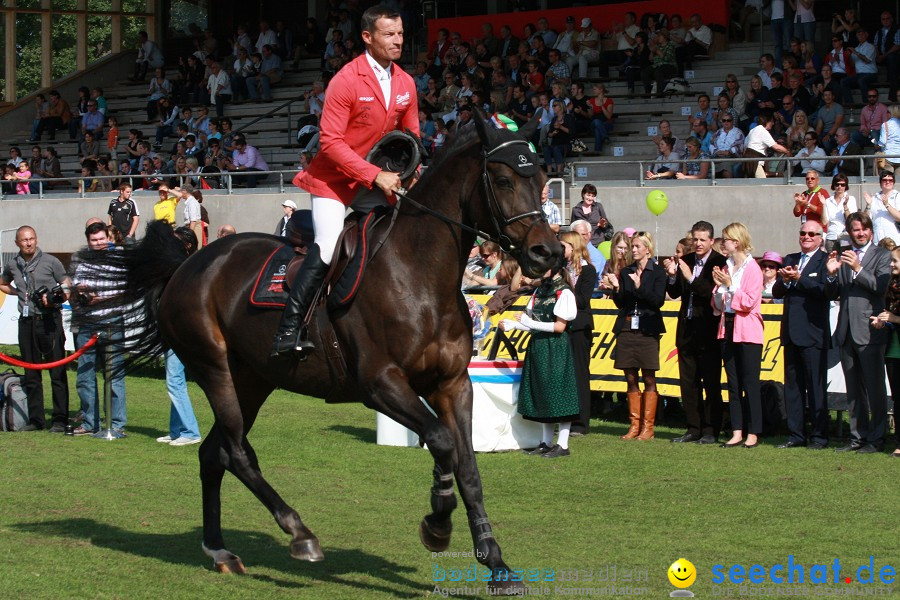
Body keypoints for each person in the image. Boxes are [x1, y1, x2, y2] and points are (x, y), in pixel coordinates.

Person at [273, 5, 420, 356]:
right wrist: (376, 175)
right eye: (389, 34)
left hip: (375, 182)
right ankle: (289, 330)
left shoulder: (406, 82)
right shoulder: (346, 79)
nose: (398, 40)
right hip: (333, 182)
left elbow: (412, 136)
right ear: (367, 37)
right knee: (326, 245)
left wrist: (412, 172)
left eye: (400, 33)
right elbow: (330, 143)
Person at [825, 211, 891, 453]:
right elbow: (833, 294)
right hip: (846, 330)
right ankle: (857, 438)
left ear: (870, 231)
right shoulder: (844, 257)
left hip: (870, 330)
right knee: (853, 390)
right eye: (855, 230)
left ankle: (876, 438)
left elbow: (880, 287)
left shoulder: (881, 255)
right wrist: (831, 275)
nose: (860, 233)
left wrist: (859, 268)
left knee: (875, 389)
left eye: (863, 229)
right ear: (850, 233)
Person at [500, 268, 578, 458]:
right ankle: (546, 442)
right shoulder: (539, 291)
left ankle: (563, 444)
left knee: (559, 393)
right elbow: (533, 322)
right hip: (539, 347)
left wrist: (530, 323)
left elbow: (560, 327)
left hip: (556, 347)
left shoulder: (564, 292)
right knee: (544, 393)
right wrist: (514, 325)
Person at [0, 226, 70, 432]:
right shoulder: (12, 264)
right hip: (26, 322)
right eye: (24, 240)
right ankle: (36, 419)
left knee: (57, 371)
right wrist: (19, 294)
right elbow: (3, 283)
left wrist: (59, 296)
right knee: (31, 372)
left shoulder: (51, 261)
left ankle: (59, 419)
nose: (29, 243)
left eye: (32, 239)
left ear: (36, 240)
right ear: (17, 243)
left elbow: (66, 282)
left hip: (50, 322)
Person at [665, 221, 727, 444]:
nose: (698, 243)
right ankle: (693, 428)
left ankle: (711, 430)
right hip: (687, 329)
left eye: (702, 239)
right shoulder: (686, 260)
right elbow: (674, 292)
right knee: (688, 383)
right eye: (695, 239)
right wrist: (672, 276)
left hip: (708, 330)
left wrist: (690, 277)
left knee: (711, 383)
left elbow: (710, 292)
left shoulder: (719, 263)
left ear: (712, 241)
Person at [772, 220, 830, 449]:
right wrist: (786, 281)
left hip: (813, 333)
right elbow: (776, 291)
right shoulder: (790, 259)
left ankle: (819, 436)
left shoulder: (825, 261)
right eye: (803, 233)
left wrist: (800, 280)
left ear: (819, 238)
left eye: (811, 234)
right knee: (793, 388)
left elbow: (825, 291)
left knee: (816, 388)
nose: (806, 236)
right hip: (791, 332)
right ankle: (796, 435)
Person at [605, 231, 666, 441]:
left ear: (648, 249)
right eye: (633, 246)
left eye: (638, 246)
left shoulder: (657, 272)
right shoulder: (626, 271)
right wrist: (616, 288)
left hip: (648, 329)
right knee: (630, 376)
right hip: (628, 327)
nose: (634, 250)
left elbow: (658, 301)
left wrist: (640, 287)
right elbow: (622, 302)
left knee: (649, 376)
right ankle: (634, 425)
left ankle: (648, 427)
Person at [71, 222, 127, 436]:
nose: (99, 243)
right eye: (94, 240)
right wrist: (80, 291)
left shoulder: (119, 260)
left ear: (108, 238)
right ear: (89, 242)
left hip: (112, 321)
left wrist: (99, 300)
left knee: (114, 375)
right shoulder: (82, 261)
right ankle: (89, 423)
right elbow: (76, 287)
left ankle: (117, 424)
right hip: (87, 323)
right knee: (85, 375)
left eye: (102, 239)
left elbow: (124, 292)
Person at [712, 222, 764, 449]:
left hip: (748, 330)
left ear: (737, 241)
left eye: (726, 239)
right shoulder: (726, 267)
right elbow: (718, 304)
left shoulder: (753, 269)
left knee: (750, 383)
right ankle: (737, 430)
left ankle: (753, 432)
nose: (723, 243)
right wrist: (720, 289)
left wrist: (730, 286)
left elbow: (749, 302)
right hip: (728, 326)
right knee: (732, 383)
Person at [560, 231, 597, 437]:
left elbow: (582, 300)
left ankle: (580, 423)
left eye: (563, 246)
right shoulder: (560, 269)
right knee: (564, 373)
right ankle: (563, 417)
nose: (560, 249)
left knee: (580, 374)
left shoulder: (587, 271)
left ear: (573, 247)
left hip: (580, 327)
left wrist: (565, 284)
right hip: (562, 325)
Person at [872, 245, 900, 457]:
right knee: (897, 398)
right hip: (892, 350)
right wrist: (883, 321)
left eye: (895, 261)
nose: (891, 264)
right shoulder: (891, 287)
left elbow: (894, 317)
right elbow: (889, 316)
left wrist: (894, 318)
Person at [742, 111, 790, 178]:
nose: (773, 124)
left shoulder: (753, 130)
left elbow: (745, 147)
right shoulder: (763, 131)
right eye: (772, 121)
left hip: (747, 159)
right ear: (767, 121)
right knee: (763, 183)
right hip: (754, 160)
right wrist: (787, 151)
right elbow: (776, 147)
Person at [863, 171, 900, 245]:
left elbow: (899, 217)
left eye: (890, 180)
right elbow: (866, 220)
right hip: (878, 241)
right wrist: (868, 205)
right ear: (880, 183)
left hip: (894, 241)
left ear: (893, 183)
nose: (887, 182)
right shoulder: (874, 198)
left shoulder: (897, 196)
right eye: (884, 180)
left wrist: (887, 204)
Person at [823, 173, 857, 253]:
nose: (839, 187)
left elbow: (851, 220)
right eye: (837, 184)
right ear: (834, 185)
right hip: (831, 237)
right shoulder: (828, 201)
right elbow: (825, 221)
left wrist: (845, 206)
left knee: (845, 262)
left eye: (842, 185)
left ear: (846, 186)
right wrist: (823, 205)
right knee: (831, 262)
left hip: (846, 237)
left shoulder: (851, 199)